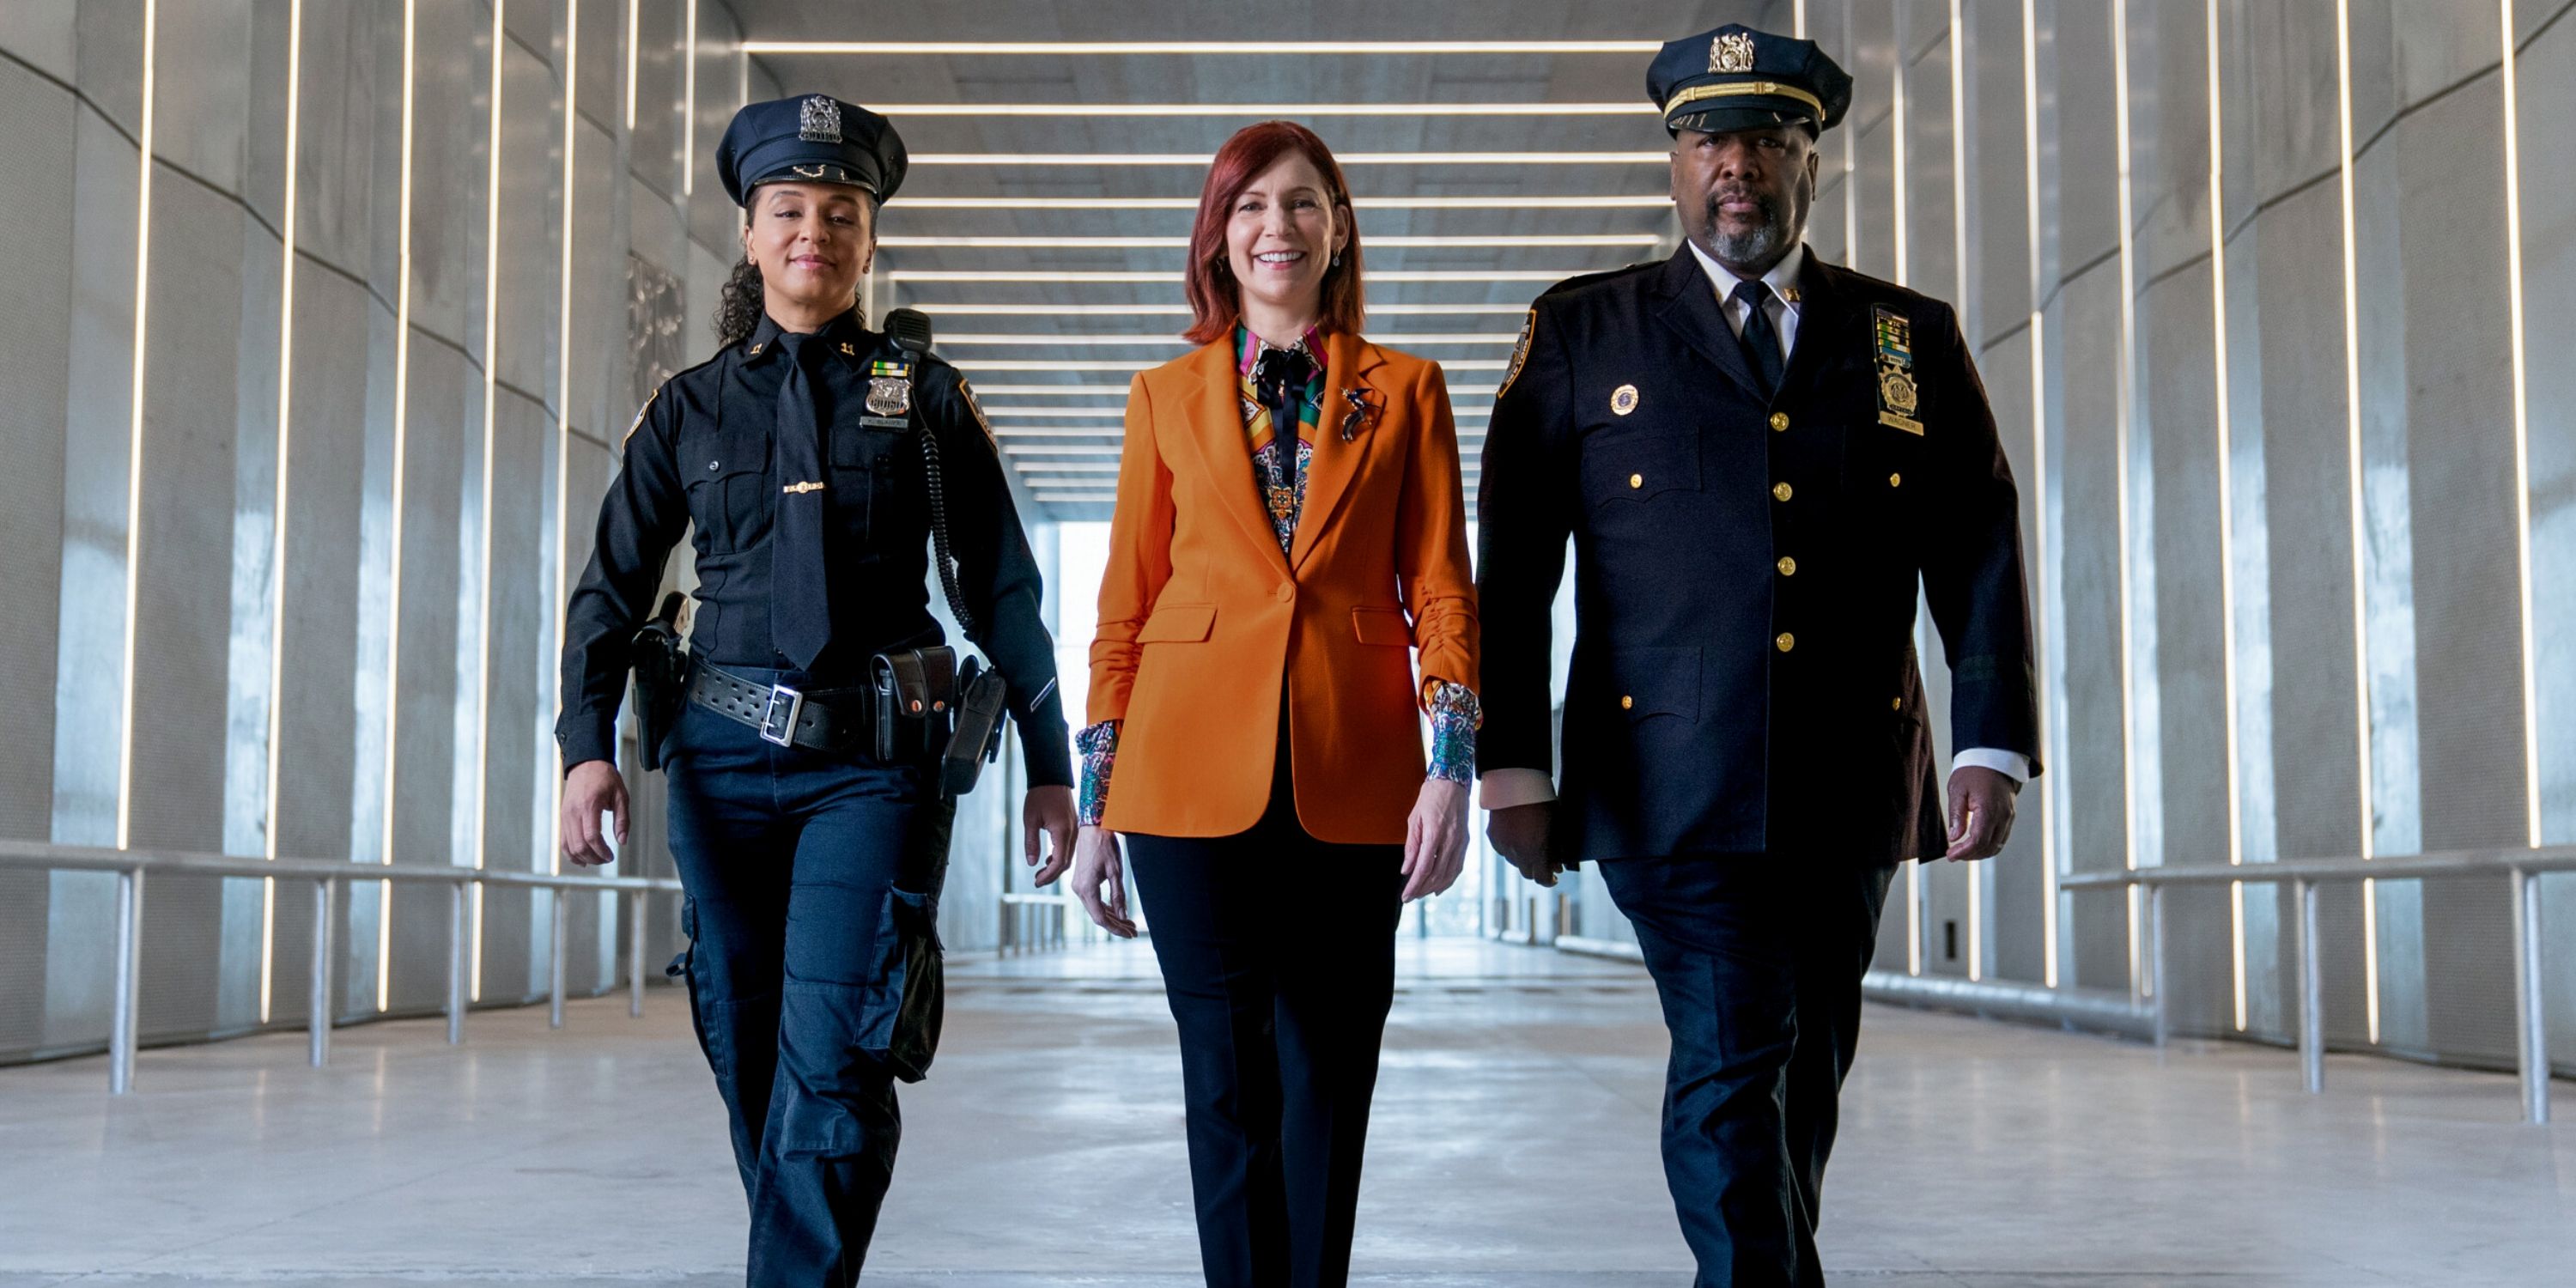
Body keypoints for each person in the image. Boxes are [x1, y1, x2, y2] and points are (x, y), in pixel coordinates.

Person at [1474, 25, 2042, 1288]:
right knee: (1735, 1060)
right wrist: (1512, 767)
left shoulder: (1908, 339)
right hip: (1664, 782)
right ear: (1674, 162)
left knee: (1800, 1069)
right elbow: (1512, 573)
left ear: (1811, 158)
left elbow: (1978, 543)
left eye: (1770, 138)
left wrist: (1992, 740)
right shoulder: (1584, 332)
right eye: (1708, 138)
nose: (1738, 164)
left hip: (1850, 778)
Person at [553, 94, 1078, 1287]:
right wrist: (586, 746)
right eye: (788, 209)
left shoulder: (925, 398)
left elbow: (1004, 596)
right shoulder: (687, 409)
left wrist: (1053, 766)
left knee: (837, 1053)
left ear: (869, 240)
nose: (814, 232)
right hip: (722, 772)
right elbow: (609, 591)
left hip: (873, 770)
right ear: (750, 233)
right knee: (746, 1043)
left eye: (841, 213)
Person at [1047, 120, 1479, 1288]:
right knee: (1226, 1078)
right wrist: (1097, 806)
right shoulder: (1164, 395)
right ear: (1217, 237)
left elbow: (1439, 586)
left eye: (1300, 203)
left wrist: (1452, 766)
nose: (1275, 227)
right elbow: (1124, 610)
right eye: (1249, 207)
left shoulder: (1410, 390)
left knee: (1328, 1076)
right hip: (1185, 785)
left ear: (1338, 230)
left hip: (1357, 772)